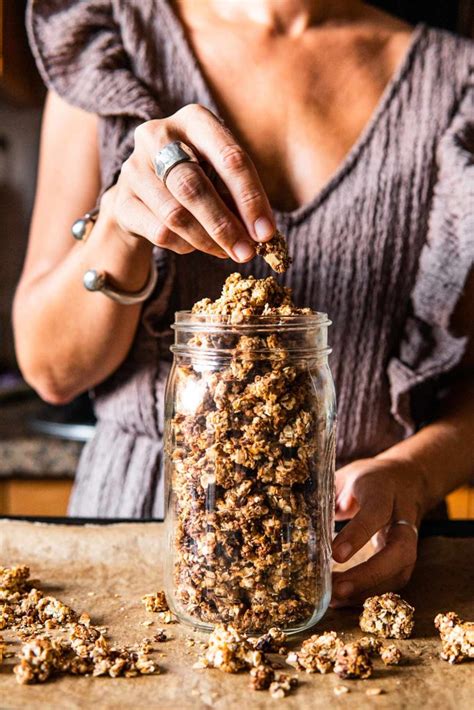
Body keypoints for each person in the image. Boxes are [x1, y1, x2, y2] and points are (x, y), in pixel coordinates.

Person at [14, 0, 473, 607]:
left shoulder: (455, 81)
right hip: (134, 543)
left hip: (360, 553)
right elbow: (51, 369)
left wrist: (414, 473)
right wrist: (120, 228)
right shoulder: (110, 42)